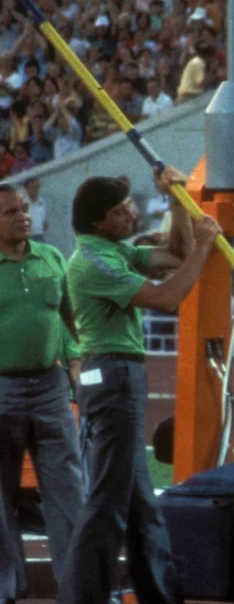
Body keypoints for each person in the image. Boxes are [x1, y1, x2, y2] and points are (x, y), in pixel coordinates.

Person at [58, 170, 223, 604]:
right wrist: (206, 246)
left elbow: (175, 253)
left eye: (129, 205)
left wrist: (175, 202)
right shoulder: (95, 262)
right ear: (98, 222)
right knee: (107, 502)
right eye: (119, 211)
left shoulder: (113, 250)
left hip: (120, 376)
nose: (131, 213)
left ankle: (159, 594)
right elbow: (169, 297)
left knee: (139, 502)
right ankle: (81, 597)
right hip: (111, 377)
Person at [0, 183, 83, 604]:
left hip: (50, 387)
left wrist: (74, 360)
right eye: (11, 212)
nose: (22, 217)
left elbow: (67, 316)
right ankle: (6, 588)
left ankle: (78, 587)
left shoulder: (50, 257)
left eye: (24, 209)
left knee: (68, 487)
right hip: (2, 390)